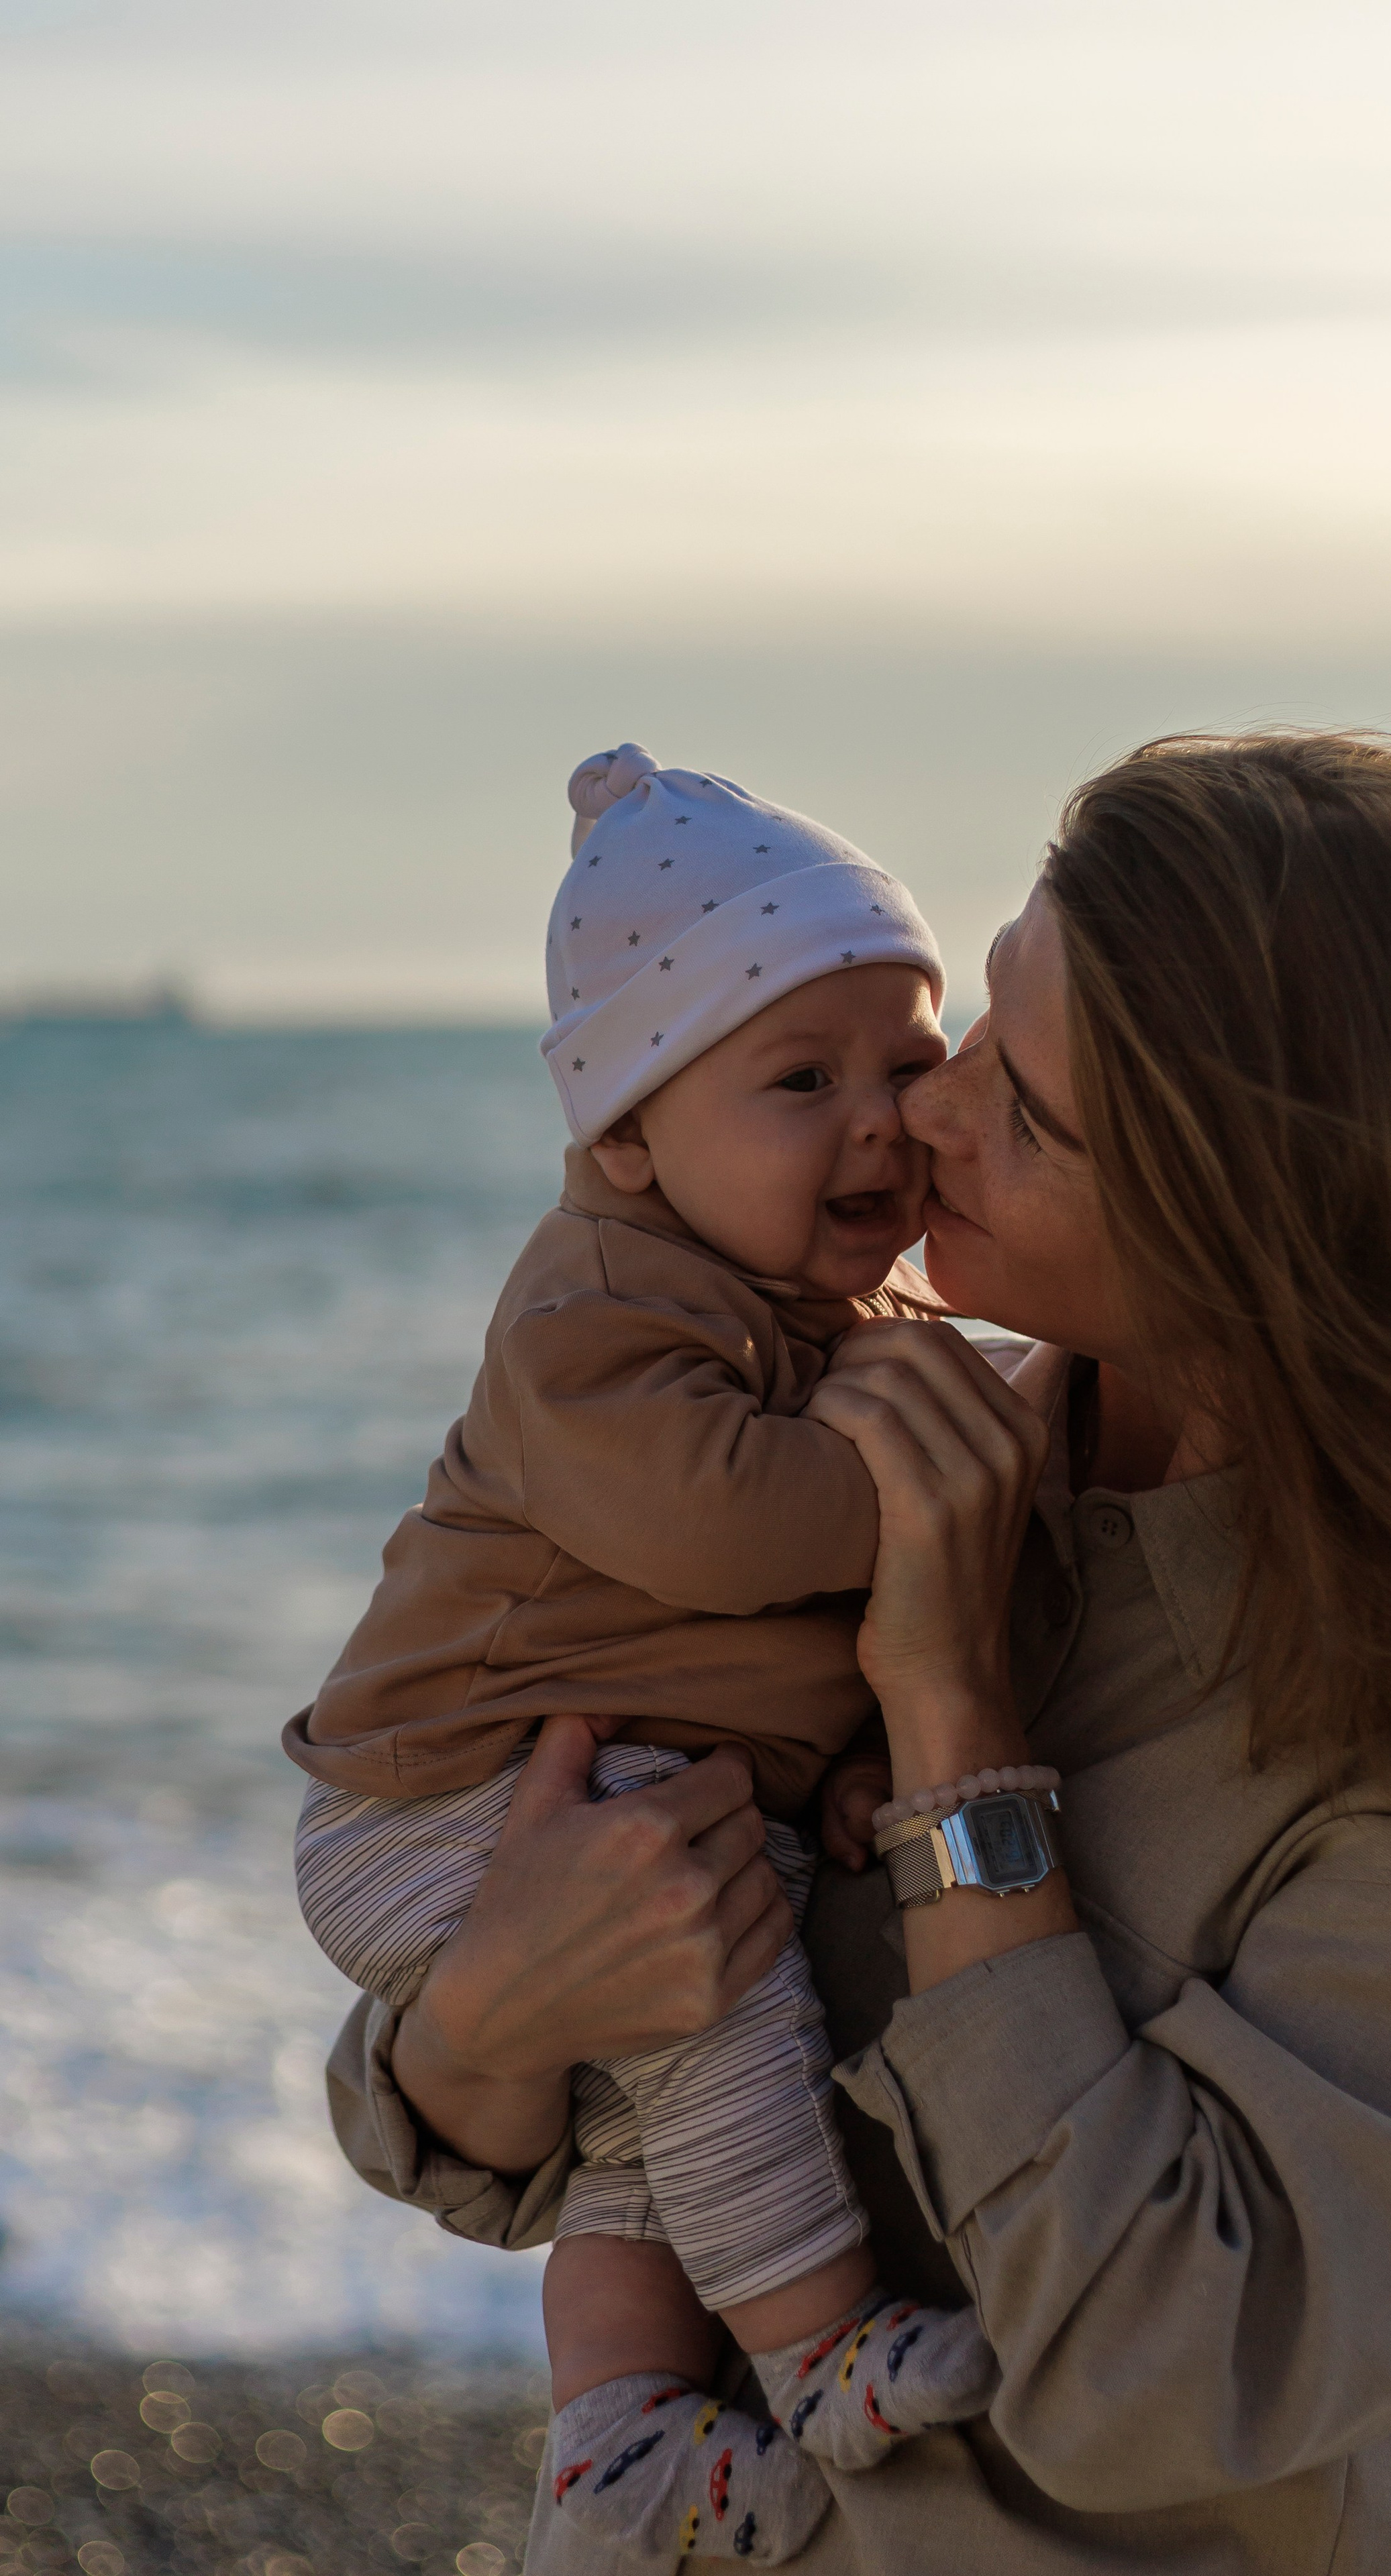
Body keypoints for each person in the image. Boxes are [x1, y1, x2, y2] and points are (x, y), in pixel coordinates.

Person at [325, 731, 1391, 2574]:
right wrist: (497, 2017)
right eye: (971, 1025)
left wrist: (958, 1732)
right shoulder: (900, 1445)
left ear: (1269, 1229)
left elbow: (1163, 2382)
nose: (932, 1115)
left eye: (1034, 1111)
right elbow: (487, 2085)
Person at [290, 747, 1001, 2566]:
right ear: (626, 1139)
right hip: (455, 1792)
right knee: (712, 1986)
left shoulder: (848, 1316)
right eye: (799, 1080)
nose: (877, 1121)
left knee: (648, 2122)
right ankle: (824, 2351)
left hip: (595, 1788)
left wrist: (858, 1763)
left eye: (906, 1064)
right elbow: (726, 1531)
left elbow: (805, 1647)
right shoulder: (600, 1299)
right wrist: (929, 1488)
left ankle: (621, 2440)